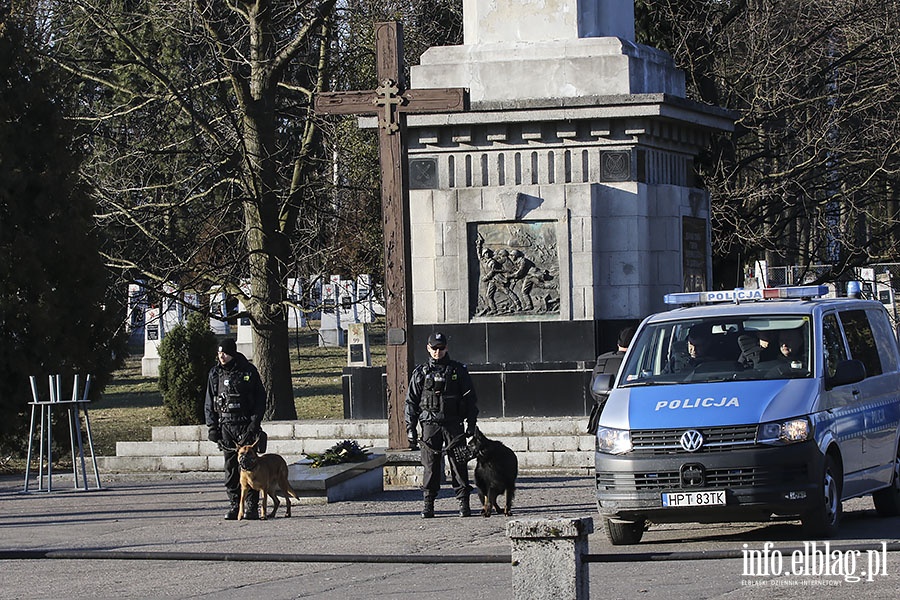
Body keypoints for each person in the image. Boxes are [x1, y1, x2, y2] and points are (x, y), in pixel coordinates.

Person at [405, 332, 479, 518]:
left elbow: (470, 400)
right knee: (430, 466)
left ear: (446, 348)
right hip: (430, 424)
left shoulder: (458, 370)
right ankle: (428, 504)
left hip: (453, 424)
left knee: (458, 464)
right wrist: (410, 428)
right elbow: (411, 402)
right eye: (434, 348)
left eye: (441, 348)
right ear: (428, 348)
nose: (437, 352)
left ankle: (464, 503)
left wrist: (471, 424)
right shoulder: (421, 372)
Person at [205, 338, 267, 520]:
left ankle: (251, 506)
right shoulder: (215, 373)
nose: (221, 356)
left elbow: (260, 399)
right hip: (226, 426)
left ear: (232, 352)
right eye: (219, 353)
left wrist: (254, 424)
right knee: (231, 468)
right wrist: (212, 427)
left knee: (251, 467)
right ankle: (234, 504)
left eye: (224, 352)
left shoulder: (248, 371)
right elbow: (209, 402)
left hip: (245, 425)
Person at [587, 326, 635, 434]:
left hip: (603, 415)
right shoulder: (637, 361)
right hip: (629, 415)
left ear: (618, 344)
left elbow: (593, 389)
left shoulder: (602, 360)